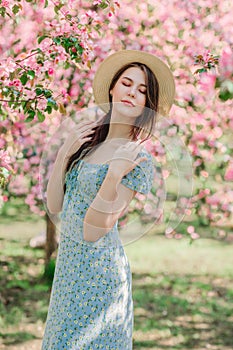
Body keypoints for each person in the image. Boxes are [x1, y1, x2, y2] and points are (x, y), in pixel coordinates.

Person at [42, 50, 175, 349]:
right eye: (127, 83)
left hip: (101, 275)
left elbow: (93, 230)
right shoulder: (88, 142)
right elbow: (55, 205)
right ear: (113, 88)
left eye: (142, 91)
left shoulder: (137, 158)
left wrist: (114, 176)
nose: (132, 92)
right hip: (68, 269)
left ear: (146, 105)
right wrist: (66, 150)